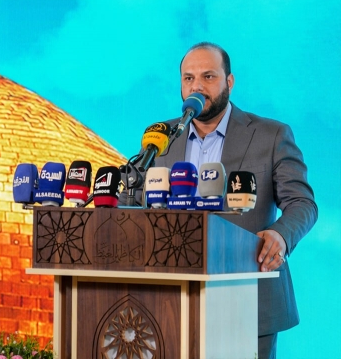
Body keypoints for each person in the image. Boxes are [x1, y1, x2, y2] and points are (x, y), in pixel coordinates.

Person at [121, 42, 317, 359]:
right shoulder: (159, 138)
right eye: (188, 78)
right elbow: (133, 200)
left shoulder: (271, 135)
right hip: (170, 299)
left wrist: (280, 235)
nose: (196, 86)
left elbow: (302, 204)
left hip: (247, 298)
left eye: (208, 76)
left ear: (229, 81)